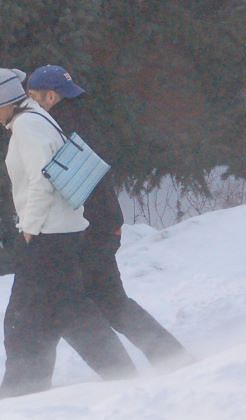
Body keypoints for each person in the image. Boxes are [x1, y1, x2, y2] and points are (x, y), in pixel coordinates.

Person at [0, 67, 137, 398]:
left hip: (46, 237)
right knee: (64, 312)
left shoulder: (27, 126)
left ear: (8, 101)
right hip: (61, 235)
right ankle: (120, 376)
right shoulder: (36, 116)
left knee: (23, 321)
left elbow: (42, 179)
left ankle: (20, 396)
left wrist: (29, 227)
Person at [26, 65, 189, 369]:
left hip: (90, 229)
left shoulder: (61, 128)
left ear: (50, 97)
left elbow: (65, 187)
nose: (30, 105)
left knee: (92, 303)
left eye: (33, 97)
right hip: (103, 225)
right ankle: (167, 356)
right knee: (104, 302)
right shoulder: (84, 120)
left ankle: (156, 362)